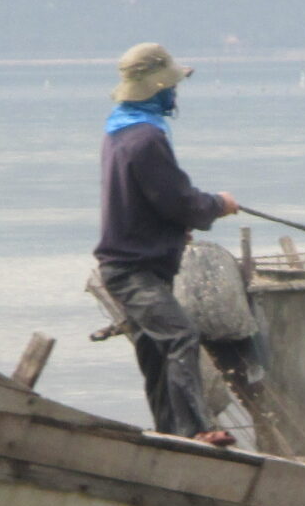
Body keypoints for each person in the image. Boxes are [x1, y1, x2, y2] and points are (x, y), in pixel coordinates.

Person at [95, 42, 243, 446]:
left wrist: (173, 231)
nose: (175, 92)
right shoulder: (146, 139)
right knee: (180, 337)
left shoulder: (120, 131)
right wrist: (219, 205)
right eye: (171, 85)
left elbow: (146, 201)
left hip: (131, 264)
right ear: (156, 86)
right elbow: (179, 201)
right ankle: (196, 428)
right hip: (133, 270)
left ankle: (167, 435)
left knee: (155, 351)